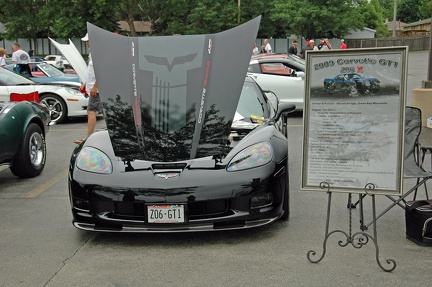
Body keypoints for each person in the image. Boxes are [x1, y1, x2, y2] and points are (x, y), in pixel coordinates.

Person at [74, 32, 103, 144]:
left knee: (91, 111)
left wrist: (95, 87)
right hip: (94, 88)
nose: (86, 43)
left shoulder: (98, 54)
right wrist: (86, 84)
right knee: (104, 112)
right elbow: (92, 73)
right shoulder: (93, 54)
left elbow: (101, 72)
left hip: (96, 89)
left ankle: (88, 137)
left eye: (88, 41)